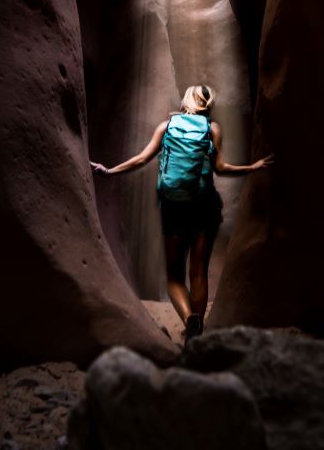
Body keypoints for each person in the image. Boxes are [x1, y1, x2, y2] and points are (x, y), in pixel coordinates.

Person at [90, 84, 273, 344]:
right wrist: (251, 167)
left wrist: (109, 171)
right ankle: (197, 335)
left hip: (174, 209)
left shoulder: (167, 127)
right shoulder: (213, 130)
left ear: (186, 100)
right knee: (198, 273)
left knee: (174, 277)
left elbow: (141, 160)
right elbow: (221, 169)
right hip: (204, 208)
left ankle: (190, 320)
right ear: (208, 105)